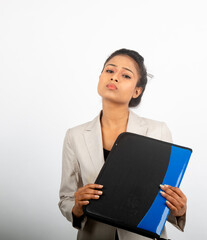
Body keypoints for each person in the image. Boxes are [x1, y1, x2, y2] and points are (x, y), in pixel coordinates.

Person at [59, 49, 187, 240]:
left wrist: (179, 210)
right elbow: (66, 199)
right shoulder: (75, 135)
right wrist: (77, 207)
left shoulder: (158, 131)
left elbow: (160, 200)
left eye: (126, 75)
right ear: (100, 77)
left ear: (137, 90)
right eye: (109, 71)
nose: (115, 77)